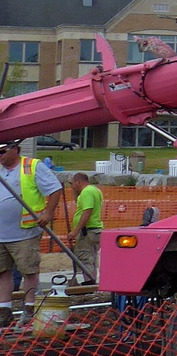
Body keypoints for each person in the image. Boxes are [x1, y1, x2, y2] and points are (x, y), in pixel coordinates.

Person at [0, 140, 64, 326]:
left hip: (24, 232)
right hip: (1, 233)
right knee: (3, 272)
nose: (0, 156)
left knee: (29, 271)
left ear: (15, 149)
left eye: (3, 152)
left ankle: (29, 309)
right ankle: (4, 310)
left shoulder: (32, 166)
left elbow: (55, 189)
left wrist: (48, 213)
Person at [68, 172, 104, 282]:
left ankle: (89, 283)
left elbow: (87, 211)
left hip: (87, 231)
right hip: (94, 230)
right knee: (91, 258)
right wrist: (75, 192)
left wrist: (75, 231)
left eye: (73, 184)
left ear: (79, 182)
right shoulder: (94, 190)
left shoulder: (87, 192)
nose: (72, 187)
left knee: (85, 258)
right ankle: (91, 282)